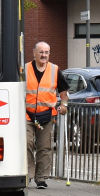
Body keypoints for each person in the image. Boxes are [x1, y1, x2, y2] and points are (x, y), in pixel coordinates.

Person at [25, 41, 68, 188]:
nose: (44, 55)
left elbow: (63, 92)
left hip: (46, 115)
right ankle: (28, 174)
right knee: (27, 143)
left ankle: (41, 178)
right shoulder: (24, 69)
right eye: (41, 52)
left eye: (46, 52)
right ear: (34, 53)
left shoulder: (55, 70)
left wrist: (64, 104)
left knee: (45, 147)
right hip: (27, 114)